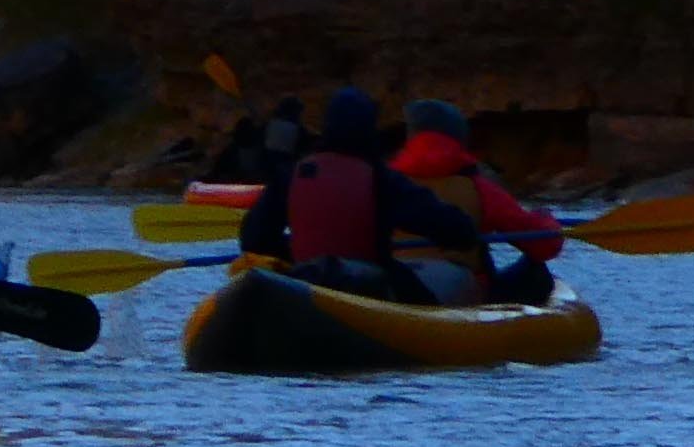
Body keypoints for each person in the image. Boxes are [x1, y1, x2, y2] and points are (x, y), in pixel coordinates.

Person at [238, 87, 488, 299]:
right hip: (369, 291)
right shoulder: (382, 179)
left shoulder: (291, 175)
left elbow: (253, 239)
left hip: (306, 283)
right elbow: (458, 231)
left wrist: (295, 252)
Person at [387, 98, 567, 304]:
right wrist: (547, 221)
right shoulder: (479, 187)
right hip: (459, 287)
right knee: (536, 270)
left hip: (393, 278)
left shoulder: (384, 181)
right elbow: (544, 245)